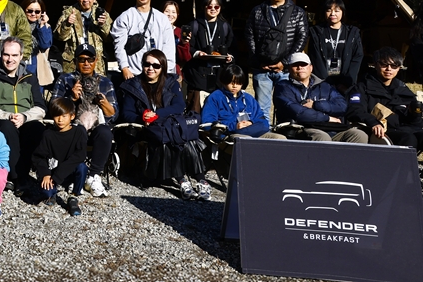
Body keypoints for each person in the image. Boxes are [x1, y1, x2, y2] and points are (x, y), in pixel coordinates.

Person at [117, 49, 204, 198]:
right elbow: (126, 113)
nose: (150, 68)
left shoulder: (171, 83)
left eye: (156, 65)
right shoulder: (132, 85)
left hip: (169, 124)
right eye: (147, 64)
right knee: (171, 137)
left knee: (185, 139)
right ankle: (182, 180)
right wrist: (143, 118)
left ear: (163, 67)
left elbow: (179, 106)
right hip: (147, 128)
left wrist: (156, 115)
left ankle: (201, 180)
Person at [201, 63, 286, 186]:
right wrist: (234, 126)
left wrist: (251, 122)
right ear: (224, 81)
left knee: (280, 139)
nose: (235, 86)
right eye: (231, 82)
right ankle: (252, 180)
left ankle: (277, 176)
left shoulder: (248, 98)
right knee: (245, 141)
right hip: (230, 135)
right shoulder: (215, 97)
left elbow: (262, 120)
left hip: (253, 131)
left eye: (238, 82)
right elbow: (207, 123)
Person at [0, 37, 44, 189]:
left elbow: (41, 108)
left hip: (25, 118)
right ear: (1, 55)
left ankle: (31, 172)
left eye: (14, 55)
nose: (10, 59)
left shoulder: (30, 78)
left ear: (21, 56)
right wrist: (8, 116)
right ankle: (16, 176)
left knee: (37, 128)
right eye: (6, 55)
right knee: (7, 128)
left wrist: (24, 117)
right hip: (1, 119)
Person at [50, 44, 117, 198]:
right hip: (74, 125)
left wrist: (104, 103)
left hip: (96, 124)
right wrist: (71, 98)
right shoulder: (65, 79)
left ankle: (94, 176)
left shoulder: (105, 82)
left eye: (90, 59)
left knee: (105, 132)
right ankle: (74, 174)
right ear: (75, 61)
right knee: (78, 131)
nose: (86, 63)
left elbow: (113, 114)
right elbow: (53, 108)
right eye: (82, 59)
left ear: (96, 60)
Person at [245, 0, 308, 124]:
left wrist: (285, 62)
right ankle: (264, 135)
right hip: (262, 68)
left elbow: (302, 38)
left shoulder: (297, 12)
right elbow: (249, 36)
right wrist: (258, 61)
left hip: (286, 70)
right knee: (262, 109)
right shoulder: (258, 11)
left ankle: (284, 136)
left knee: (287, 108)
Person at [274, 53, 373, 143]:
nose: (300, 67)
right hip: (300, 129)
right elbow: (299, 113)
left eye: (303, 64)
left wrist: (316, 105)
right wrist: (328, 118)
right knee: (322, 137)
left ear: (311, 68)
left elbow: (342, 106)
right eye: (295, 65)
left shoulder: (325, 86)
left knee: (359, 135)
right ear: (289, 69)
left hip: (331, 129)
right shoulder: (283, 87)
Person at [352, 48, 423, 151]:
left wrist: (415, 115)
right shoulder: (362, 87)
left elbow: (415, 123)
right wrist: (373, 123)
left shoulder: (402, 88)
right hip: (380, 131)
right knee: (408, 139)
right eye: (384, 65)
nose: (388, 69)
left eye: (394, 66)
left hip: (406, 128)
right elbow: (355, 110)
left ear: (399, 68)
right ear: (375, 65)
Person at [111, 0, 176, 80]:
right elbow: (119, 46)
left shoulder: (162, 19)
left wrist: (166, 72)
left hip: (158, 75)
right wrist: (125, 68)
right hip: (134, 74)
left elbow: (169, 47)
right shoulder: (125, 17)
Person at [34, 98, 88, 217]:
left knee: (82, 167)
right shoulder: (48, 134)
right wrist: (45, 174)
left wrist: (59, 175)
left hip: (68, 171)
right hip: (52, 173)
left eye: (64, 116)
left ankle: (74, 196)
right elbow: (39, 157)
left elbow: (80, 155)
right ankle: (52, 194)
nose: (60, 120)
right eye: (57, 116)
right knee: (46, 193)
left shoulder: (79, 132)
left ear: (72, 116)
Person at [182, 0, 234, 111]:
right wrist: (197, 53)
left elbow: (232, 47)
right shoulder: (195, 25)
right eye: (209, 6)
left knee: (217, 111)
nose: (213, 9)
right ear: (204, 6)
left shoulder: (225, 26)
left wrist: (230, 57)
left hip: (218, 75)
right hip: (198, 74)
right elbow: (188, 47)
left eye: (216, 6)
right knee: (196, 110)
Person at [307, 0, 364, 92]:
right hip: (322, 82)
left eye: (337, 11)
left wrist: (347, 81)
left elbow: (357, 56)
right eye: (329, 10)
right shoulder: (316, 32)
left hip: (346, 83)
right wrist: (325, 81)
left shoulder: (352, 33)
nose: (332, 14)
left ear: (343, 12)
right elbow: (315, 57)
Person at [55, 0, 112, 76]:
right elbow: (59, 37)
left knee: (95, 85)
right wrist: (67, 24)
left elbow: (110, 38)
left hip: (96, 64)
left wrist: (103, 25)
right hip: (74, 63)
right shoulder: (69, 12)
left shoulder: (102, 13)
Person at [22, 0, 54, 81]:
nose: (33, 14)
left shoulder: (45, 27)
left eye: (37, 11)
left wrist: (42, 25)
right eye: (30, 11)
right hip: (20, 65)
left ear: (42, 13)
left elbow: (44, 45)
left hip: (37, 68)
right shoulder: (18, 25)